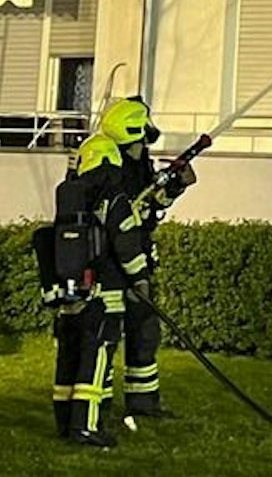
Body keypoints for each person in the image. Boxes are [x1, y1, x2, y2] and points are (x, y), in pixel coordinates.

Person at [39, 116, 148, 449]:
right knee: (95, 361)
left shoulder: (70, 199)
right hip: (105, 298)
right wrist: (140, 279)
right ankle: (85, 427)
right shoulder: (113, 199)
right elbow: (126, 241)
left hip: (70, 295)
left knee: (68, 361)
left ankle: (64, 422)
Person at [100, 95, 196, 422]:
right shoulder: (105, 166)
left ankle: (143, 404)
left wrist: (174, 186)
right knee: (104, 335)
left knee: (144, 331)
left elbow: (150, 209)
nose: (146, 141)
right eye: (142, 134)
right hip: (110, 264)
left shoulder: (139, 164)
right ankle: (93, 406)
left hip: (136, 258)